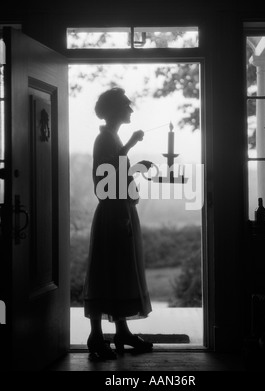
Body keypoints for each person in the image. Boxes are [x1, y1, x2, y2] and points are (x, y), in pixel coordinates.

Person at [83, 87, 153, 360]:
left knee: (120, 271)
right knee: (106, 271)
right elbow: (108, 175)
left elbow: (118, 170)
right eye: (127, 105)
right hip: (113, 213)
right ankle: (96, 336)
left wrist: (134, 167)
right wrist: (132, 146)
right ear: (114, 110)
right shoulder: (104, 139)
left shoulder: (112, 137)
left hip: (120, 210)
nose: (131, 109)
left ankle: (121, 331)